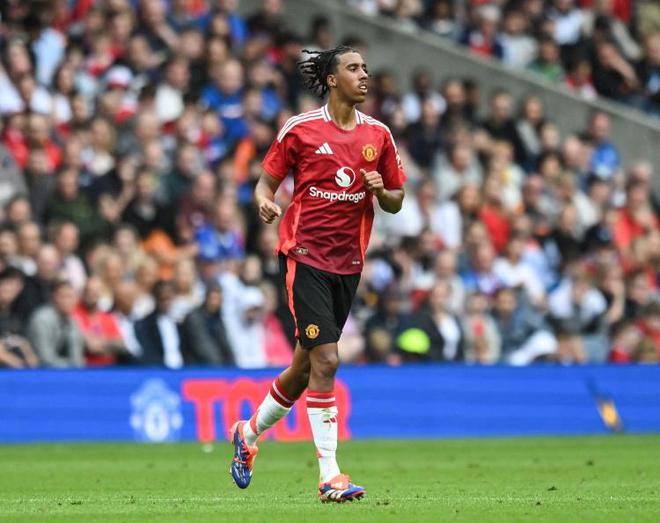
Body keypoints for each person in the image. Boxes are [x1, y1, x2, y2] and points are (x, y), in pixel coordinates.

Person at [228, 45, 405, 502]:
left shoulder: (379, 135)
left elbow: (396, 199)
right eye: (353, 68)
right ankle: (330, 476)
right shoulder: (301, 129)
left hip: (349, 263)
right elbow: (265, 183)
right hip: (304, 255)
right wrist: (264, 202)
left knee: (305, 367)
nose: (364, 75)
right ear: (331, 79)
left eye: (366, 68)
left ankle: (247, 433)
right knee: (327, 360)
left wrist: (381, 191)